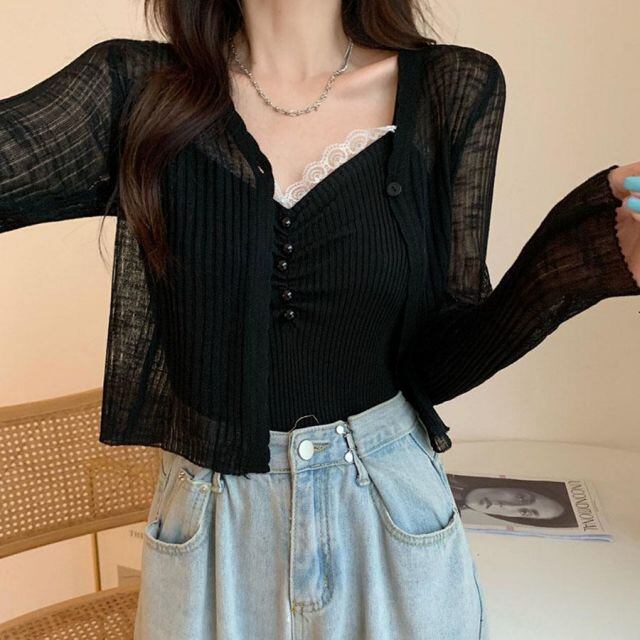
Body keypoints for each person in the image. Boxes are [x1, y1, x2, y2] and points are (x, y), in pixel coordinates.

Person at [1, 1, 639, 638]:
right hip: (211, 524)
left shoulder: (450, 91)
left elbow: (439, 361)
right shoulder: (137, 91)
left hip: (389, 511)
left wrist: (590, 255)